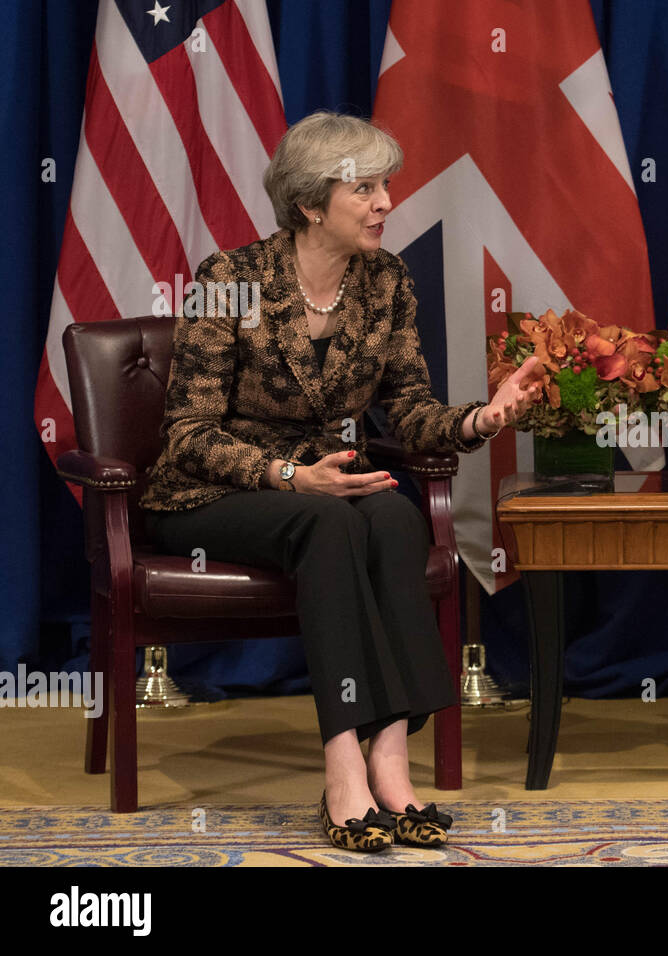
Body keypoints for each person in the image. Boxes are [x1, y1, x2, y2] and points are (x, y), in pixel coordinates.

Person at [138, 111, 544, 851]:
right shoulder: (229, 279)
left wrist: (485, 417)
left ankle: (390, 758)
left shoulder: (385, 281)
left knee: (394, 516)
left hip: (332, 486)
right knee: (329, 521)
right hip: (214, 494)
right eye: (365, 187)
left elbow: (412, 411)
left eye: (386, 183)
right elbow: (187, 435)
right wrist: (290, 477)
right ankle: (341, 767)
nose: (387, 201)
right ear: (310, 204)